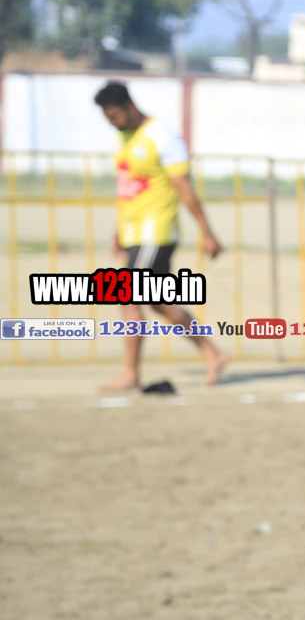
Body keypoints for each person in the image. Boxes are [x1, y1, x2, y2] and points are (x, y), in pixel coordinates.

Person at [94, 81, 228, 390]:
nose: (112, 122)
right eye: (107, 117)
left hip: (155, 232)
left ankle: (130, 373)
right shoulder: (125, 136)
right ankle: (213, 353)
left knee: (125, 295)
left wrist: (207, 233)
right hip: (134, 234)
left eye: (114, 115)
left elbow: (184, 187)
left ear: (130, 106)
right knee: (157, 302)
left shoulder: (162, 135)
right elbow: (129, 189)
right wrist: (118, 231)